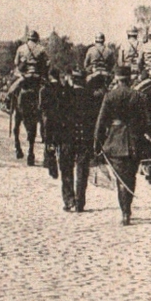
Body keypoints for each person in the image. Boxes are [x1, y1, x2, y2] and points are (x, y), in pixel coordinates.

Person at [94, 66, 150, 225]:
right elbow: (147, 121)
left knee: (120, 179)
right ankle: (127, 209)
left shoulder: (110, 96)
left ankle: (125, 211)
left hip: (115, 141)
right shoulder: (138, 95)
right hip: (134, 141)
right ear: (130, 79)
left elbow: (101, 120)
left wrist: (96, 142)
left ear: (117, 79)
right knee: (130, 176)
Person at [55, 70, 98, 212]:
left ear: (72, 80)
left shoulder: (64, 95)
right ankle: (80, 202)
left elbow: (57, 118)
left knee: (66, 169)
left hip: (67, 138)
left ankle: (69, 200)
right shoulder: (91, 97)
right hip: (84, 138)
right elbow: (94, 120)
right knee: (82, 170)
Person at [7, 30, 49, 103]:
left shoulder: (21, 48)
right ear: (37, 39)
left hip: (24, 76)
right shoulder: (42, 49)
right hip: (38, 77)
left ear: (28, 38)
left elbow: (16, 62)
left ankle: (9, 101)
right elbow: (47, 63)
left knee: (12, 87)